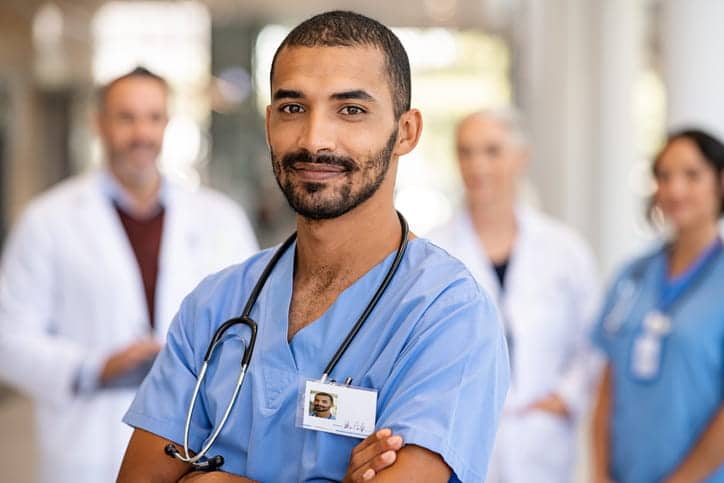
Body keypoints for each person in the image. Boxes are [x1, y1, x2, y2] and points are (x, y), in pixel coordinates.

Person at [117, 10, 509, 483]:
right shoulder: (216, 304)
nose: (314, 139)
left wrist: (210, 478)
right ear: (268, 123)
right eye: (293, 108)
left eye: (351, 110)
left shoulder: (448, 314)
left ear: (406, 132)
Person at [0, 67, 258, 483]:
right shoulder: (47, 220)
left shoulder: (220, 219)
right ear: (98, 123)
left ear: (167, 123)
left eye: (153, 117)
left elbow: (255, 327)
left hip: (197, 446)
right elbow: (7, 339)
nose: (142, 132)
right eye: (126, 117)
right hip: (87, 444)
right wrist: (93, 366)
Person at [428, 109, 599, 483]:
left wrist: (564, 398)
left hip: (542, 441)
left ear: (521, 158)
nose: (477, 165)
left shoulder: (564, 249)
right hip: (462, 440)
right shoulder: (432, 252)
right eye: (466, 152)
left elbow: (592, 340)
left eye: (492, 151)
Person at [591, 129, 724, 483]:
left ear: (720, 183)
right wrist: (600, 473)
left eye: (691, 175)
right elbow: (607, 385)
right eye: (664, 176)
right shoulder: (632, 275)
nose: (674, 190)